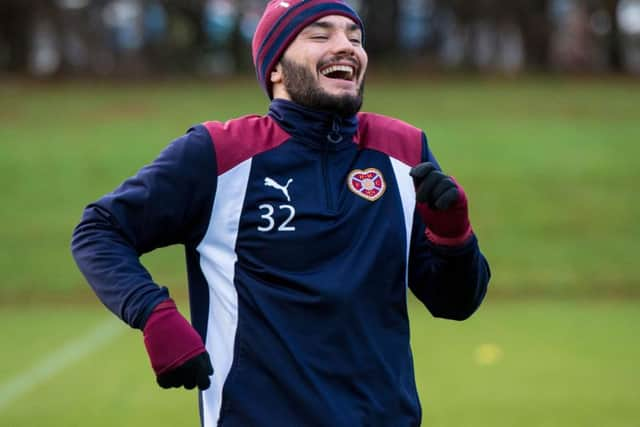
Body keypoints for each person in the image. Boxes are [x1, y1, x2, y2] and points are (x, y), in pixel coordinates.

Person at [71, 1, 490, 426]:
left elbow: (455, 303)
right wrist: (154, 315)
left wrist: (453, 239)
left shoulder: (404, 150)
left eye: (355, 37)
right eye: (321, 35)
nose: (345, 46)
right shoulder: (219, 154)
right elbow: (99, 231)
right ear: (275, 67)